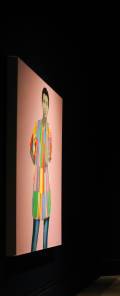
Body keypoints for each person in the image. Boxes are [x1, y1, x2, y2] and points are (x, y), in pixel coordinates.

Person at [29, 87, 52, 251]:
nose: (45, 106)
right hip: (38, 181)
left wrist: (44, 157)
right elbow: (31, 147)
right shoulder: (37, 126)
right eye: (43, 102)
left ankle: (45, 249)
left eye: (47, 103)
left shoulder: (49, 129)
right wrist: (36, 160)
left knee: (47, 218)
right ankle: (33, 251)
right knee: (36, 219)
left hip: (47, 181)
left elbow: (49, 155)